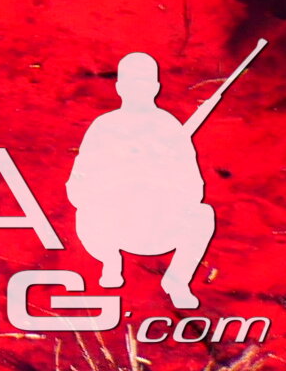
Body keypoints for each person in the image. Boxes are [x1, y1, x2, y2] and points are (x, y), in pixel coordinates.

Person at [68, 48, 222, 311]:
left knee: (203, 214)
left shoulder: (169, 127)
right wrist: (119, 180)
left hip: (159, 223)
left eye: (144, 82)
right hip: (114, 225)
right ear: (119, 87)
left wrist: (161, 180)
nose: (138, 89)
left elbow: (194, 188)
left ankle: (177, 281)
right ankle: (110, 261)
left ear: (155, 86)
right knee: (85, 213)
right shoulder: (104, 127)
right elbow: (77, 185)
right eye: (131, 82)